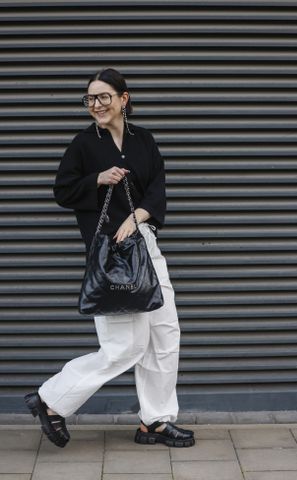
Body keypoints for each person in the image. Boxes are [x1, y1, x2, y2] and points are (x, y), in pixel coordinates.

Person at [24, 67, 195, 449]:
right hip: (110, 256)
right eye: (90, 98)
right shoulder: (83, 144)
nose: (96, 105)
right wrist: (97, 180)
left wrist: (137, 217)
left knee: (165, 336)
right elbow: (63, 191)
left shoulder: (144, 140)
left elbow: (158, 187)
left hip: (146, 246)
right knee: (124, 347)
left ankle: (156, 422)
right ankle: (51, 399)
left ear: (123, 99)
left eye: (103, 97)